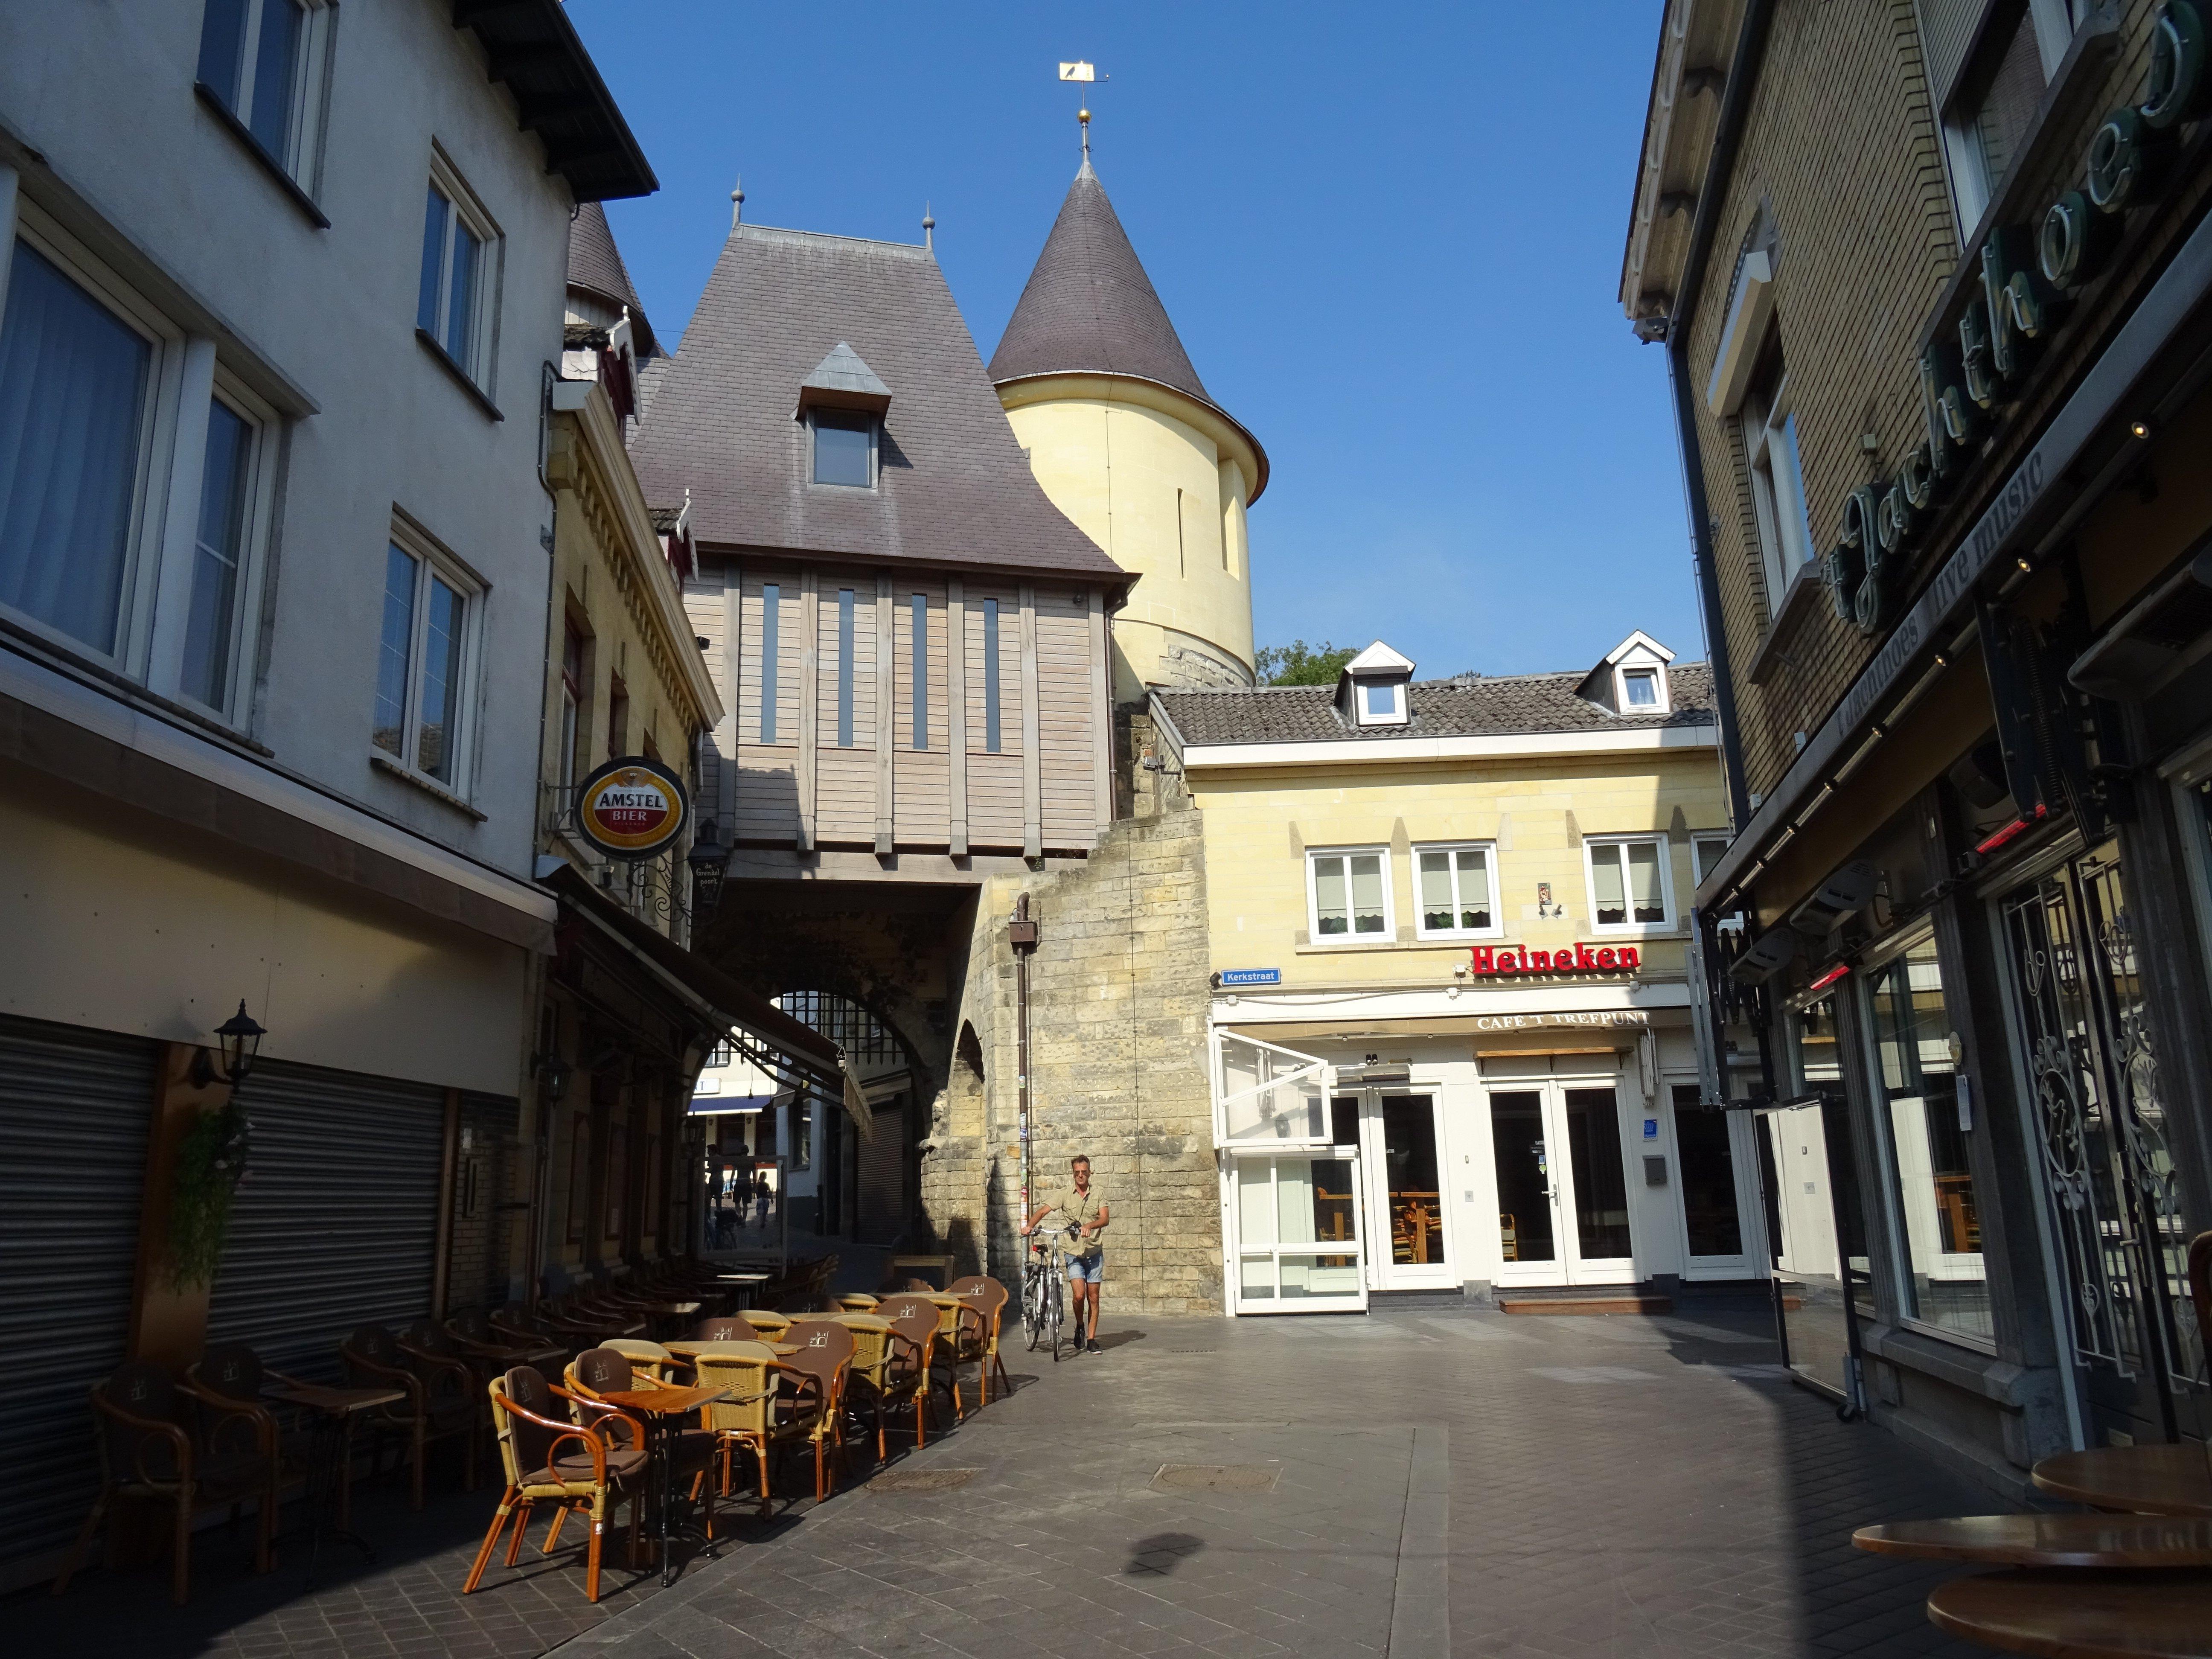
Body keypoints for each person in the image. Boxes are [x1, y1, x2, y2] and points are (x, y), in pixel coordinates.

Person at [1022, 1154, 1109, 1352]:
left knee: (1093, 1298)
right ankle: (1080, 1325)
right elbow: (1043, 1211)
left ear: (1090, 1173)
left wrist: (1090, 1225)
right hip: (1073, 1252)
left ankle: (1091, 1339)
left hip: (1094, 1251)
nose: (1081, 1176)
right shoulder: (1064, 1194)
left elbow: (1105, 1219)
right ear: (1073, 1174)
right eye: (1077, 1173)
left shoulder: (1098, 1193)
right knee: (1079, 1296)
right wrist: (1029, 1226)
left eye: (1084, 1172)